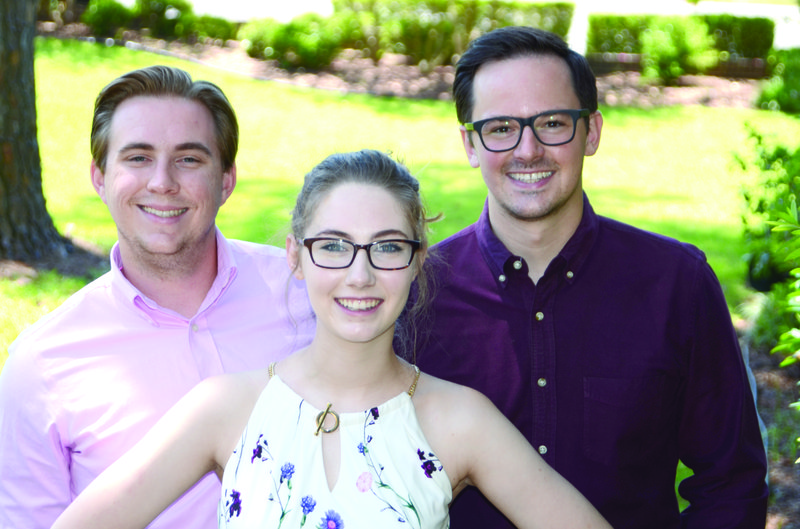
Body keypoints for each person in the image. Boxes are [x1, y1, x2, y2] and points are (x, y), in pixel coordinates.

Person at [51, 149, 612, 529]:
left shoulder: (458, 420)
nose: (360, 276)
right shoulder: (227, 409)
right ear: (296, 256)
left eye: (388, 247)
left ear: (418, 261)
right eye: (334, 246)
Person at [410, 26, 769, 528]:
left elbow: (731, 481)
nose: (528, 150)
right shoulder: (415, 294)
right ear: (470, 144)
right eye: (500, 128)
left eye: (553, 123)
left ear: (592, 132)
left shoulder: (676, 285)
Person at [0, 65, 314, 529]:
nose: (162, 182)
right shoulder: (42, 363)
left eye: (189, 159)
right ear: (100, 177)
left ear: (225, 180)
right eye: (138, 158)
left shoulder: (306, 295)